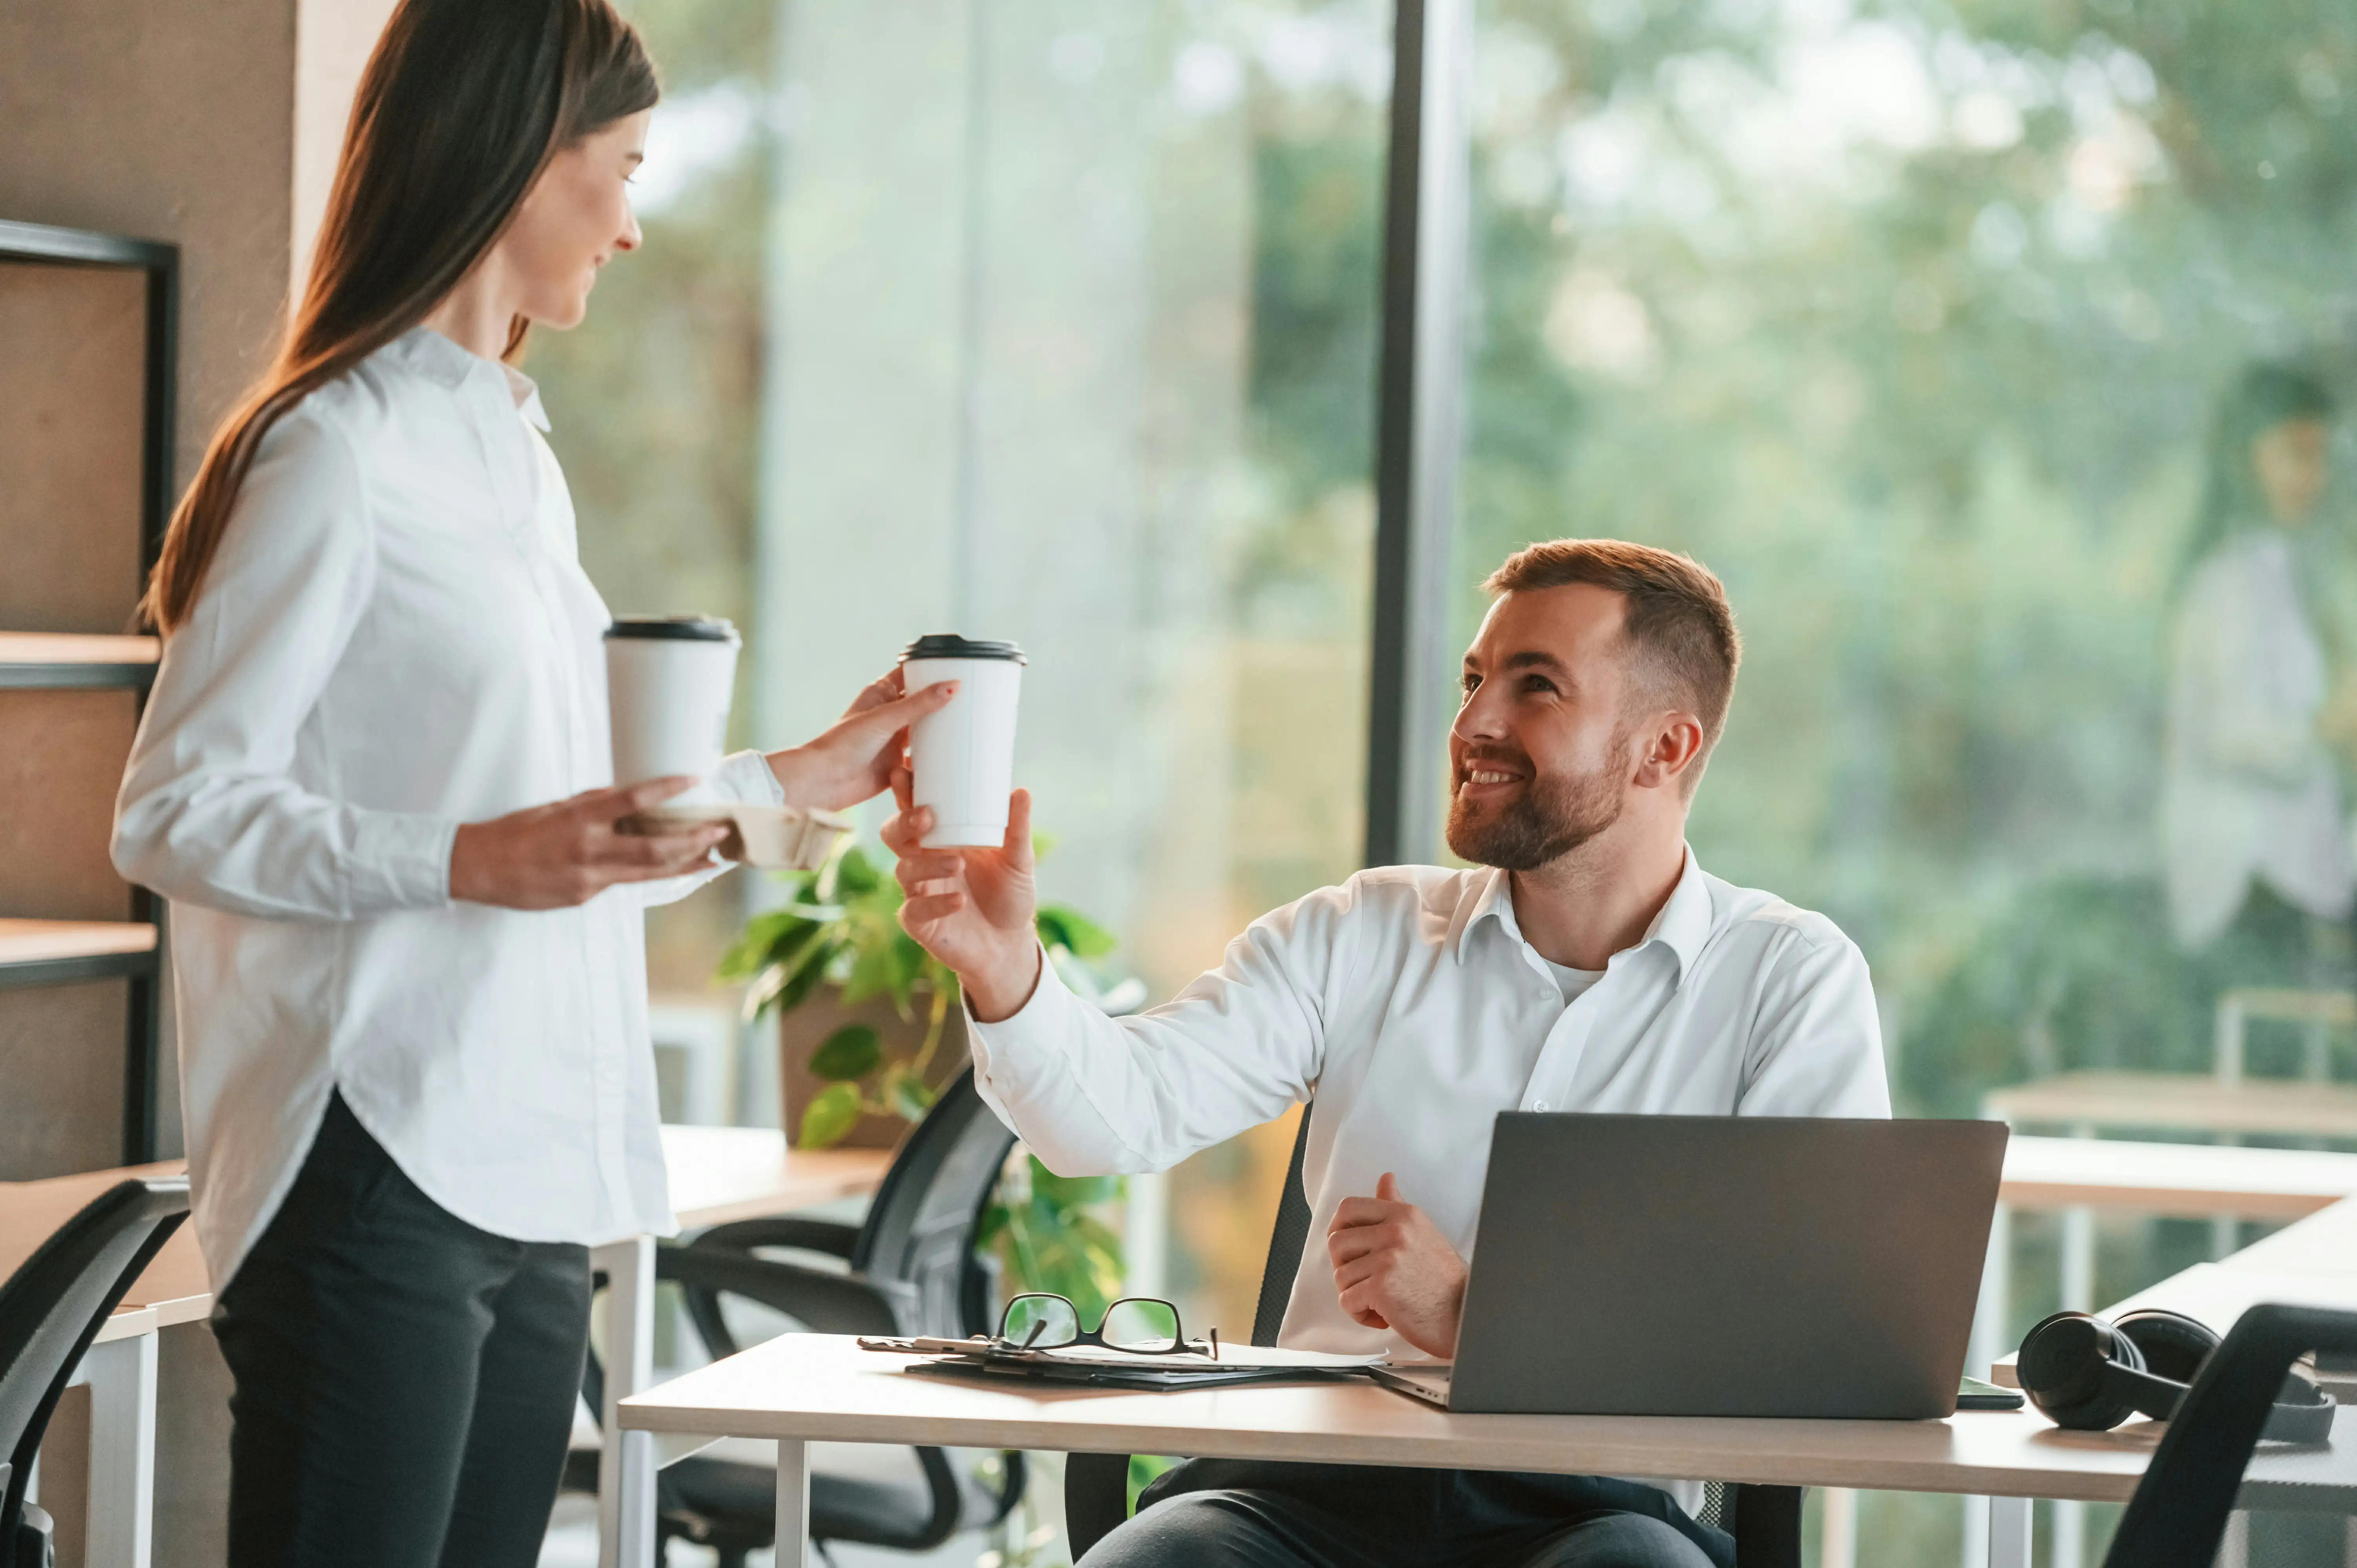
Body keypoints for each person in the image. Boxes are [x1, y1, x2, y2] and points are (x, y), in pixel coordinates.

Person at [108, 3, 953, 1563]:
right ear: (514, 158)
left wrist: (794, 782)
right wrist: (458, 859)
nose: (634, 227)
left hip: (536, 1175)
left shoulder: (512, 454)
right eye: (623, 169)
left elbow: (563, 822)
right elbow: (173, 808)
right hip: (376, 1163)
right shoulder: (329, 450)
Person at [884, 540, 1889, 1568]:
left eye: (1533, 686)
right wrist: (1004, 963)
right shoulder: (1357, 932)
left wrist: (1470, 1314)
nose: (1470, 725)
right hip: (1297, 1498)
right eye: (1470, 680)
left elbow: (1805, 1343)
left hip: (1599, 1519)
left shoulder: (1786, 979)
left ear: (1662, 749)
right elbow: (1109, 1119)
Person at [2162, 363, 2355, 965]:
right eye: (2293, 455)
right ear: (2244, 459)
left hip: (2303, 882)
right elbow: (2221, 733)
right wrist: (2326, 727)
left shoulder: (2290, 579)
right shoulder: (2223, 582)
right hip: (2246, 885)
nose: (2312, 478)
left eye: (2319, 457)